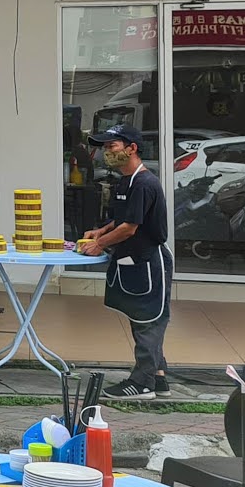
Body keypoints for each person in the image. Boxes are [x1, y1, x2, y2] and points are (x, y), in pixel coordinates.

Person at [77, 124, 172, 399]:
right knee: (142, 317)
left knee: (149, 321)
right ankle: (158, 376)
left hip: (149, 261)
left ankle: (142, 383)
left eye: (112, 146)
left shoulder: (144, 183)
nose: (107, 151)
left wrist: (99, 244)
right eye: (105, 147)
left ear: (132, 148)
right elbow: (123, 220)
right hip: (134, 260)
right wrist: (102, 230)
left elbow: (130, 228)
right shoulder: (125, 181)